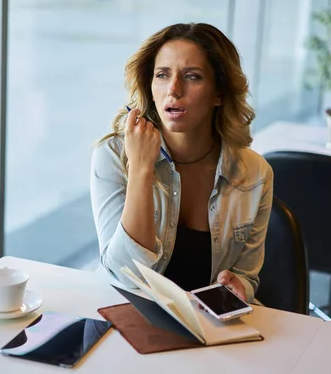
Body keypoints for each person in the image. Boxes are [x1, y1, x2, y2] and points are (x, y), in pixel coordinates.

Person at [89, 23, 273, 303]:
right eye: (162, 75)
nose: (173, 90)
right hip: (126, 317)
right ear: (150, 86)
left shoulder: (255, 174)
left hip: (208, 329)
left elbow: (246, 277)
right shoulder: (114, 155)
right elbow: (125, 275)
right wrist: (141, 169)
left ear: (219, 93)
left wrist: (241, 289)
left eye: (192, 76)